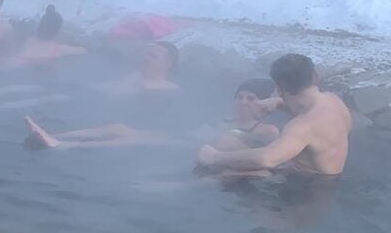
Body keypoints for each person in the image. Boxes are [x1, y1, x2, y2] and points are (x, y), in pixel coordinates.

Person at [23, 77, 278, 151]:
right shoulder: (225, 119)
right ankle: (57, 134)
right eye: (240, 97)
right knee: (118, 127)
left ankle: (63, 146)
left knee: (130, 139)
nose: (243, 102)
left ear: (263, 102)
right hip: (182, 138)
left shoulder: (267, 131)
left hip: (185, 147)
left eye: (250, 99)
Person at [197, 54, 352, 176]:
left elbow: (267, 159)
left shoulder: (302, 126)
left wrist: (215, 157)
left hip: (307, 189)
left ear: (278, 87)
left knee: (228, 165)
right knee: (229, 145)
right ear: (314, 76)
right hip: (327, 180)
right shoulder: (333, 101)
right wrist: (278, 102)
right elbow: (314, 121)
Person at [0, 5, 85, 69]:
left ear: (40, 27)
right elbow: (83, 50)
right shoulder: (58, 49)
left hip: (9, 63)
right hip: (22, 66)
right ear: (57, 32)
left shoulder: (29, 40)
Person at [100, 40, 180, 93]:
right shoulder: (136, 76)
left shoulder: (168, 90)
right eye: (147, 54)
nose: (146, 58)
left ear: (168, 64)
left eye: (153, 56)